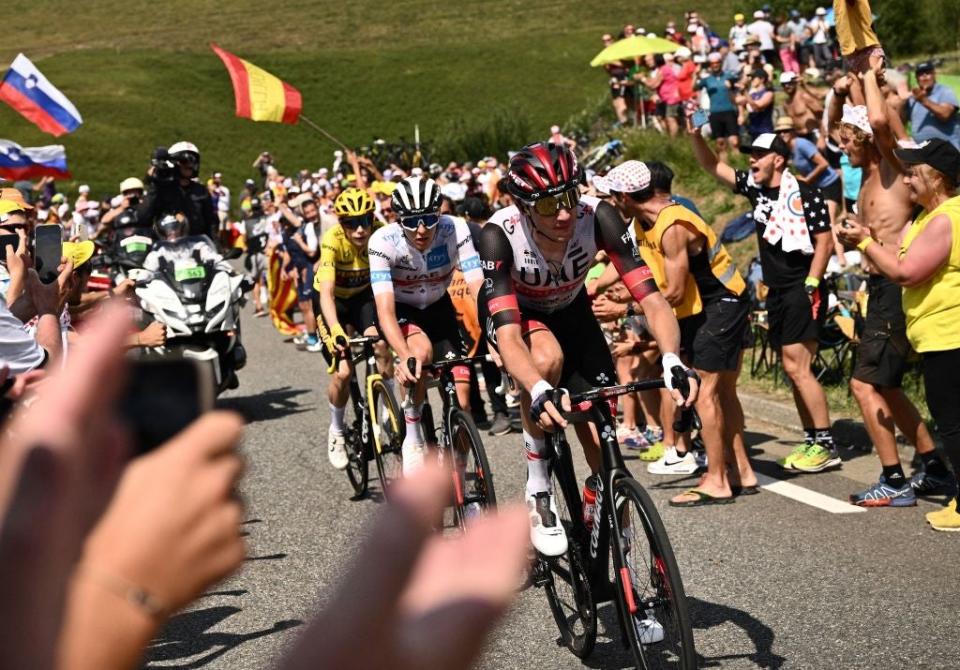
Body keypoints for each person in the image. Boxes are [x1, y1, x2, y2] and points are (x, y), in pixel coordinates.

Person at [476, 143, 697, 555]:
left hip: (571, 307)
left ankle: (615, 528)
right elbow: (508, 335)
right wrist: (539, 389)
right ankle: (538, 486)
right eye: (547, 206)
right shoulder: (498, 234)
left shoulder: (599, 216)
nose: (563, 213)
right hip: (519, 314)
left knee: (602, 436)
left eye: (569, 197)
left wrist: (671, 358)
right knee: (545, 360)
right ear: (524, 206)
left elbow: (652, 299)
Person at [599, 160, 757, 505]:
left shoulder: (673, 224)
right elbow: (625, 260)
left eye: (612, 195)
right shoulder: (643, 222)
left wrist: (623, 308)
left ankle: (717, 480)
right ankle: (741, 471)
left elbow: (672, 293)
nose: (610, 202)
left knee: (704, 392)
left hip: (721, 303)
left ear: (625, 196)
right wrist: (593, 289)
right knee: (723, 394)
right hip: (704, 309)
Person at [830, 74, 953, 506]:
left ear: (866, 138)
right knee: (888, 385)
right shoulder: (864, 179)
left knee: (865, 385)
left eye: (849, 140)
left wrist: (869, 78)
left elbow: (884, 125)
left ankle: (894, 479)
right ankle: (933, 466)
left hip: (897, 285)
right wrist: (842, 90)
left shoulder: (890, 168)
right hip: (878, 285)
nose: (843, 148)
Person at [690, 125, 840, 473]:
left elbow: (825, 242)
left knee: (797, 366)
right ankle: (812, 441)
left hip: (802, 287)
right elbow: (713, 166)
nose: (752, 160)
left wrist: (813, 282)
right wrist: (697, 136)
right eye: (750, 155)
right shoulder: (755, 190)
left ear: (779, 159)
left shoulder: (805, 193)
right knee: (792, 369)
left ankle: (825, 444)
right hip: (775, 290)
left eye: (758, 155)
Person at [368, 176, 484, 474]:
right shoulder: (382, 241)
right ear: (398, 218)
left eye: (429, 219)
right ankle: (413, 431)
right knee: (419, 356)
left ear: (439, 212)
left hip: (439, 307)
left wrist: (496, 332)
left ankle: (458, 474)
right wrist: (403, 352)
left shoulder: (454, 228)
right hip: (404, 309)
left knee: (463, 401)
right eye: (412, 221)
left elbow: (476, 283)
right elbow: (384, 309)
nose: (421, 229)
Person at [315, 187, 389, 470]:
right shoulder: (332, 240)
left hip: (361, 298)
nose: (359, 229)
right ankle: (336, 430)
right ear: (341, 224)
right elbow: (326, 293)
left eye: (365, 220)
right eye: (350, 223)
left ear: (373, 218)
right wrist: (335, 330)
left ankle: (386, 407)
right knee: (344, 370)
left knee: (381, 345)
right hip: (333, 302)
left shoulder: (380, 232)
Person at [774, 116, 845, 259]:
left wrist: (806, 180)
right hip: (818, 188)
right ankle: (829, 254)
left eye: (786, 130)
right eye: (779, 132)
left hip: (830, 183)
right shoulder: (788, 149)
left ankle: (841, 259)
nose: (783, 134)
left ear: (793, 131)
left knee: (828, 220)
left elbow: (823, 164)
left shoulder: (801, 144)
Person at [137, 142, 218, 239]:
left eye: (193, 160)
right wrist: (155, 184)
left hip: (195, 245)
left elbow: (211, 222)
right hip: (167, 246)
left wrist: (215, 247)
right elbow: (143, 217)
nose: (190, 165)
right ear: (173, 163)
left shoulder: (201, 191)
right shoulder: (161, 189)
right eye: (185, 161)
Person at [279, 196, 321, 352]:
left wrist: (281, 203)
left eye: (287, 219)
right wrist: (285, 268)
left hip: (308, 269)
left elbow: (309, 253)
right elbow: (288, 253)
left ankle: (316, 337)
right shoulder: (286, 233)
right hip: (298, 270)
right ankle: (311, 336)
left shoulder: (302, 226)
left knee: (309, 305)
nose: (285, 222)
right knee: (303, 306)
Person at [901, 61, 960, 149]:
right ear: (917, 78)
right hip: (920, 150)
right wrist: (901, 102)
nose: (924, 76)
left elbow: (945, 114)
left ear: (934, 75)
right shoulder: (912, 98)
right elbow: (902, 121)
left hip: (947, 148)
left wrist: (923, 100)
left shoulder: (944, 91)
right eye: (921, 74)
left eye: (928, 73)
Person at [696, 52, 740, 162]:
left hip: (729, 111)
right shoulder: (707, 79)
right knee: (720, 143)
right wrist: (694, 74)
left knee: (734, 141)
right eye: (713, 63)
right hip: (715, 113)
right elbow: (694, 88)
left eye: (717, 63)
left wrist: (732, 86)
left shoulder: (728, 75)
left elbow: (740, 82)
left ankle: (739, 165)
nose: (715, 65)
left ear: (721, 63)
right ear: (710, 65)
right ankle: (724, 168)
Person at [242, 196, 269, 317]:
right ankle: (274, 307)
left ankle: (259, 306)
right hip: (267, 253)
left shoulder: (247, 221)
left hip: (254, 254)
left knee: (255, 280)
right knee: (271, 281)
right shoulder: (266, 218)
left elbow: (244, 238)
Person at [781, 71, 826, 140]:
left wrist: (822, 135)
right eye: (783, 84)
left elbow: (821, 113)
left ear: (795, 83)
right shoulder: (786, 104)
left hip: (813, 134)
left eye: (789, 83)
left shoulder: (804, 97)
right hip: (799, 136)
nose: (786, 86)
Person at [738, 70, 775, 139]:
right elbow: (738, 101)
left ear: (762, 79)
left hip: (765, 131)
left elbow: (757, 106)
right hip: (753, 131)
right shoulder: (752, 94)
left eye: (753, 78)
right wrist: (730, 89)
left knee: (766, 150)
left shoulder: (769, 93)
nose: (751, 80)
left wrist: (745, 92)